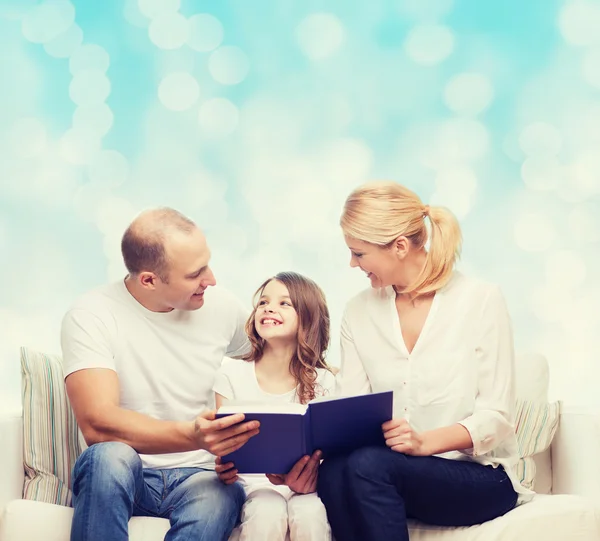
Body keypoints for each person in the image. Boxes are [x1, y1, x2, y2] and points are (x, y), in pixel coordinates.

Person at [317, 181, 534, 541]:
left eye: (359, 253)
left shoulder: (479, 300)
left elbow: (496, 418)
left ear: (399, 247)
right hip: (390, 473)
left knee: (367, 466)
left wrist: (424, 442)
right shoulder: (358, 311)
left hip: (479, 476)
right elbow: (351, 411)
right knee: (334, 471)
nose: (352, 263)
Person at [61, 207, 260, 541]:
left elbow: (279, 362)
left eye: (208, 264)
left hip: (203, 475)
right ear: (149, 280)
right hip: (130, 473)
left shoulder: (222, 306)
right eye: (196, 274)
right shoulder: (91, 314)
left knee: (220, 492)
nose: (211, 280)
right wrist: (193, 435)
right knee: (108, 456)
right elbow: (97, 423)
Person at [213, 272, 334, 541]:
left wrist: (310, 478)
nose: (269, 308)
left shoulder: (325, 381)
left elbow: (332, 452)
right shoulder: (231, 375)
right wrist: (222, 465)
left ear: (308, 317)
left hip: (306, 488)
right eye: (263, 302)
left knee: (310, 512)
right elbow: (224, 446)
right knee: (266, 510)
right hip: (253, 486)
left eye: (284, 303)